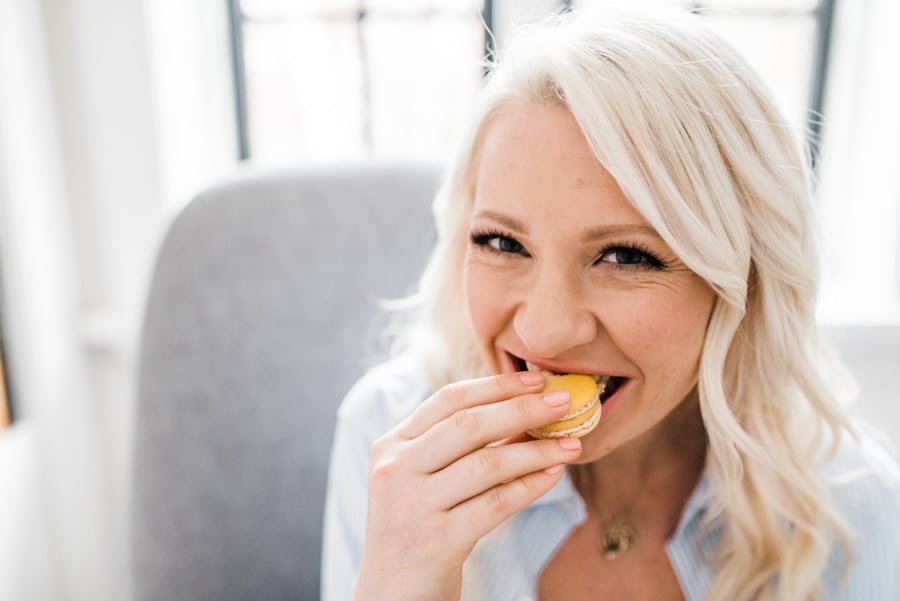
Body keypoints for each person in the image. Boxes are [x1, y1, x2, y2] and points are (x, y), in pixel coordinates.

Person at [321, 7, 900, 601]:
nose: (544, 335)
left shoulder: (858, 512)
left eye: (625, 257)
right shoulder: (391, 441)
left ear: (744, 282)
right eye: (501, 242)